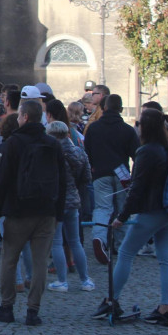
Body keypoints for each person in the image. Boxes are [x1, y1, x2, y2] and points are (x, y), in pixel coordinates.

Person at [92, 109, 168, 326]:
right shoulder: (167, 148)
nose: (136, 126)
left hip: (151, 210)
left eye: (138, 123)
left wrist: (122, 216)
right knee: (166, 258)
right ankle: (164, 308)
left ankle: (112, 299)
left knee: (127, 252)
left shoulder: (147, 151)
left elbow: (137, 189)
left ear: (144, 127)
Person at [0, 100, 67, 326]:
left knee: (9, 259)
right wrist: (58, 213)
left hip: (18, 209)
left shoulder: (13, 143)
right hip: (46, 210)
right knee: (40, 260)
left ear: (23, 117)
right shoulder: (53, 143)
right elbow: (62, 181)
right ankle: (33, 310)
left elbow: (1, 180)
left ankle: (7, 306)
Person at [83, 94, 140, 264]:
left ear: (104, 108)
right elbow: (136, 154)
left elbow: (87, 152)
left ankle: (100, 238)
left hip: (100, 172)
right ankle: (120, 244)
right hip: (121, 173)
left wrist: (94, 165)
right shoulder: (128, 130)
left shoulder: (93, 128)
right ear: (121, 109)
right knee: (122, 209)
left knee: (102, 207)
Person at [45, 121, 95, 293]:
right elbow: (87, 178)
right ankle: (85, 279)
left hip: (56, 201)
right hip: (73, 200)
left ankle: (62, 280)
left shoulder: (49, 153)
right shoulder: (78, 153)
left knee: (57, 242)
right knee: (75, 242)